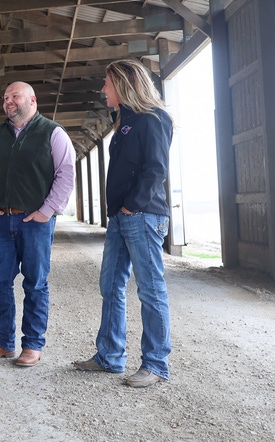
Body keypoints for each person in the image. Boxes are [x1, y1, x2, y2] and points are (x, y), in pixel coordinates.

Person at [73, 59, 174, 388]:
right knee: (110, 285)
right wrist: (119, 211)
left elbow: (156, 168)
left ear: (124, 83)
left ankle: (156, 364)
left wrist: (132, 206)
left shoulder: (154, 119)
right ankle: (110, 356)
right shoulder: (125, 121)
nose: (103, 89)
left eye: (107, 83)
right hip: (120, 216)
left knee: (150, 289)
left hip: (141, 215)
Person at [0, 81, 75, 367]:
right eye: (5, 97)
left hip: (35, 222)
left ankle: (32, 344)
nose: (8, 101)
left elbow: (66, 174)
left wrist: (48, 210)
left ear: (32, 99)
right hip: (1, 221)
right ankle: (3, 342)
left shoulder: (53, 132)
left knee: (36, 283)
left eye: (14, 96)